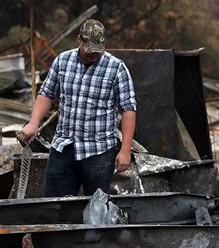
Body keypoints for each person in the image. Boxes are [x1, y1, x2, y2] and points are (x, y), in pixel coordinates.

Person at [21, 19, 137, 197]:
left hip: (99, 151)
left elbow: (128, 109)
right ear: (78, 41)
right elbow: (46, 94)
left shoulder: (117, 68)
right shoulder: (62, 61)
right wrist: (34, 122)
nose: (93, 55)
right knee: (55, 207)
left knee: (96, 209)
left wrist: (125, 150)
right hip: (63, 147)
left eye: (97, 51)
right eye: (89, 50)